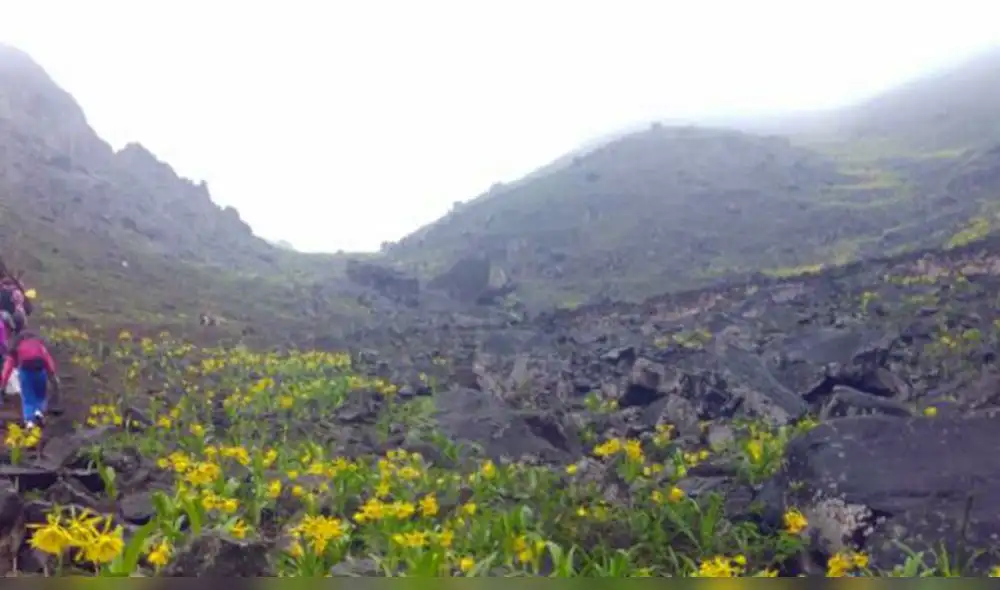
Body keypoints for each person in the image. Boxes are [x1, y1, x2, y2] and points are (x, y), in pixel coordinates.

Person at [0, 329, 58, 428]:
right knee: (41, 395)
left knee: (28, 398)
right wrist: (53, 376)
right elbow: (47, 359)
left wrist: (3, 384)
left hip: (26, 372)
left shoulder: (16, 347)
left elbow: (8, 367)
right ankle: (39, 413)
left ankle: (29, 422)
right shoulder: (39, 344)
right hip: (40, 371)